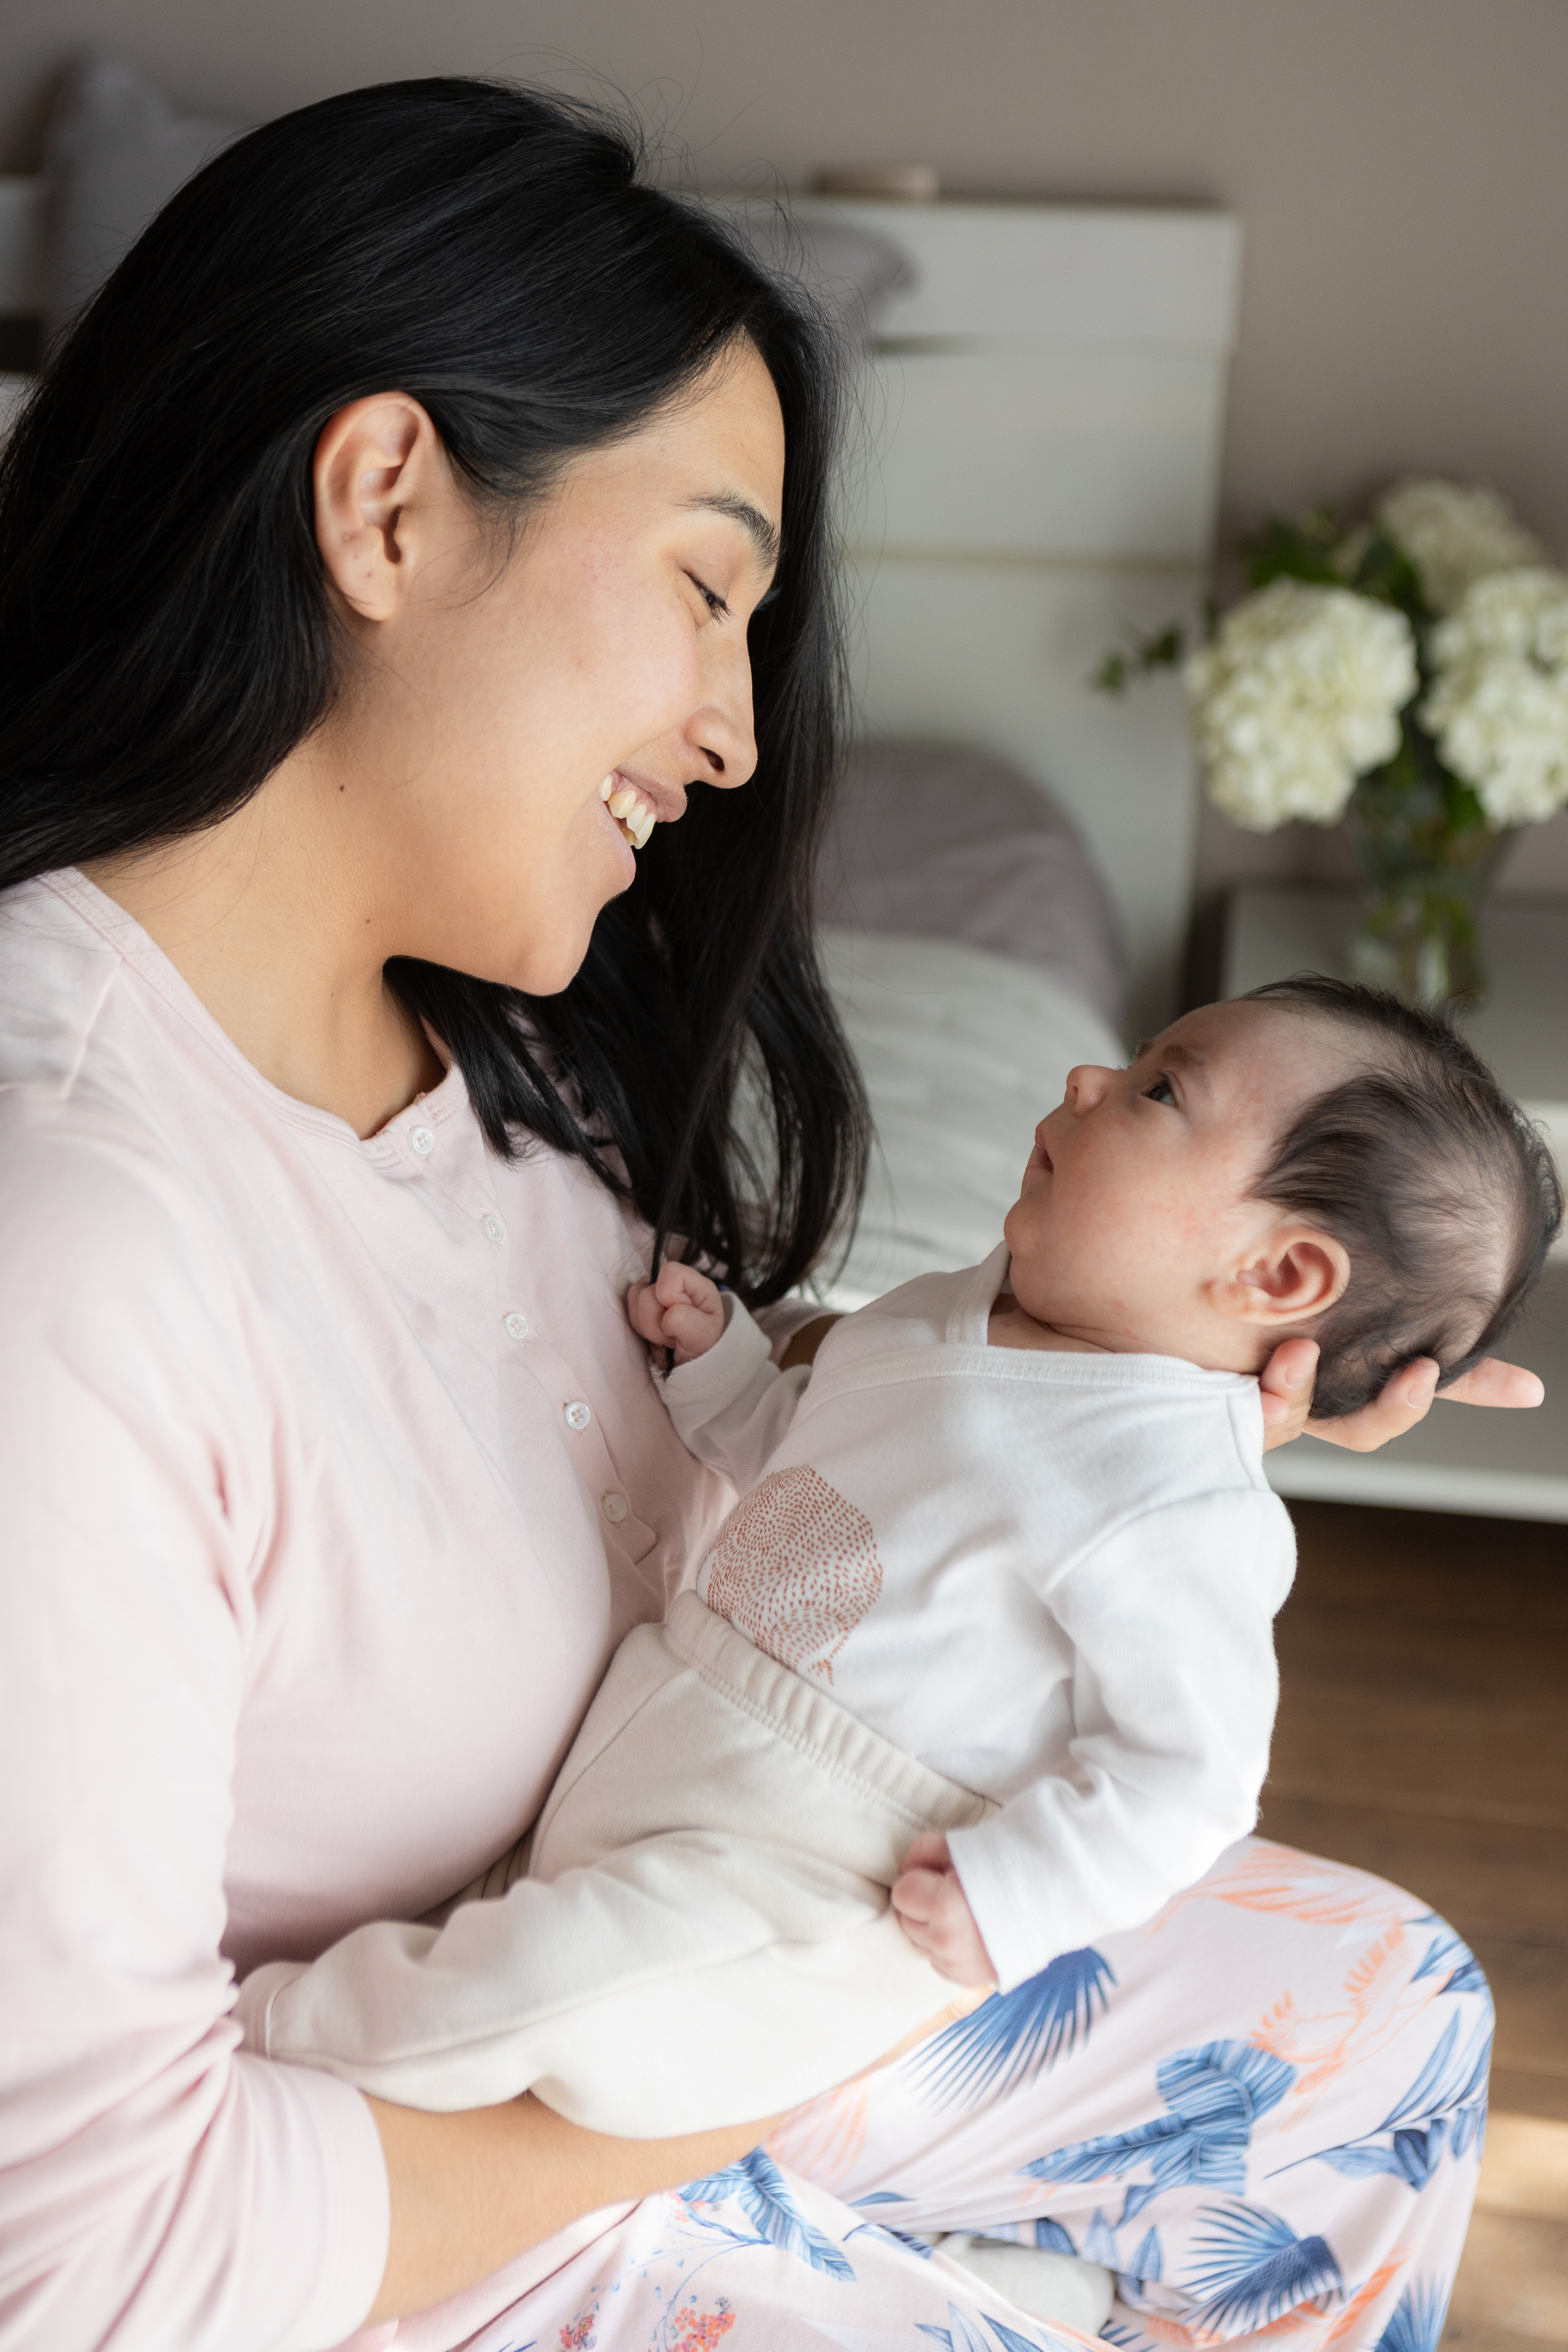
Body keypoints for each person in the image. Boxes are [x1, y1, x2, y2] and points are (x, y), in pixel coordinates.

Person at [0, 75, 1536, 2352]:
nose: (732, 736)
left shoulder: (508, 1045)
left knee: (1396, 2011)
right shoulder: (79, 1248)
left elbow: (664, 1455)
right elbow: (84, 2259)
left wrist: (1135, 1415)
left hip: (703, 1877)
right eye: (711, 586)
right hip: (427, 2108)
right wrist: (770, 2057)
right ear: (391, 503)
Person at [231, 976, 1558, 2147]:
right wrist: (725, 1369)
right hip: (668, 1724)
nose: (1086, 1079)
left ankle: (256, 2048)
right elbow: (812, 1468)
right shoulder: (959, 1306)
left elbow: (1189, 1777)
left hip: (820, 1860)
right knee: (522, 1927)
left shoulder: (1180, 1508)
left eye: (1160, 1090)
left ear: (1276, 1276)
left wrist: (1016, 1895)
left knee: (539, 1994)